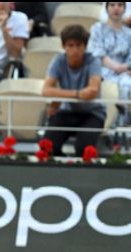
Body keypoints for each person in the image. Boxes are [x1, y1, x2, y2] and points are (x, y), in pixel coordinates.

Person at [42, 24, 105, 157]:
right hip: (68, 111)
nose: (75, 50)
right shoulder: (58, 60)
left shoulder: (94, 61)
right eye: (70, 45)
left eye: (79, 45)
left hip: (92, 114)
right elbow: (46, 90)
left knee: (83, 150)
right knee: (47, 146)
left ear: (85, 46)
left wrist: (60, 95)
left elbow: (92, 92)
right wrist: (77, 94)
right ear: (63, 46)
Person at [89, 2, 131, 105]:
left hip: (124, 73)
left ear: (124, 9)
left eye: (120, 5)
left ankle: (123, 119)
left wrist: (124, 68)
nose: (116, 8)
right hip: (101, 70)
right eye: (112, 5)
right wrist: (116, 67)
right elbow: (97, 53)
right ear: (106, 8)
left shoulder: (129, 33)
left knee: (126, 84)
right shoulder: (97, 29)